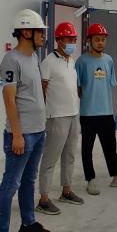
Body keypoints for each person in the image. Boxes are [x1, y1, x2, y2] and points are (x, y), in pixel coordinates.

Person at [0, 9, 53, 232]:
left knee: (29, 180)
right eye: (40, 32)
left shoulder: (34, 57)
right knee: (10, 184)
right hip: (22, 134)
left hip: (38, 131)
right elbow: (9, 99)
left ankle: (28, 223)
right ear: (26, 32)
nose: (43, 36)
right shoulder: (11, 59)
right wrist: (16, 134)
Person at [77, 22, 117, 194]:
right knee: (87, 149)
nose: (100, 42)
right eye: (97, 39)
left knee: (110, 147)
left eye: (103, 39)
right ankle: (90, 180)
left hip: (107, 112)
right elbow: (78, 87)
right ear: (89, 41)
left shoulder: (109, 60)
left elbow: (110, 84)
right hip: (88, 113)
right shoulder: (81, 61)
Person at [37, 21, 84, 214]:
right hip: (56, 116)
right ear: (58, 40)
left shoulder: (71, 61)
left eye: (74, 39)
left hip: (73, 114)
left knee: (70, 155)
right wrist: (44, 113)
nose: (72, 43)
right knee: (50, 158)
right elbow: (42, 89)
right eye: (68, 39)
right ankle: (43, 199)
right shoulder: (48, 62)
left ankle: (66, 190)